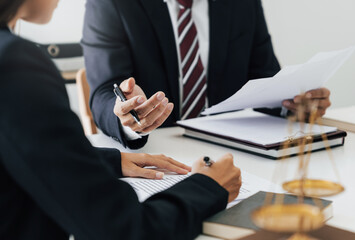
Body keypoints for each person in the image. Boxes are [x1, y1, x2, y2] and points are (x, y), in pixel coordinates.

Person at [0, 0, 242, 239]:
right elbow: (124, 230)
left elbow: (20, 148)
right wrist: (207, 187)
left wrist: (111, 161)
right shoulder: (14, 63)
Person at [82, 0, 332, 150]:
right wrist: (128, 115)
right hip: (158, 156)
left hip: (235, 151)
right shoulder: (110, 3)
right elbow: (105, 91)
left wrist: (293, 105)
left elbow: (265, 79)